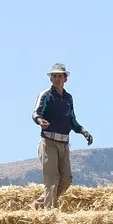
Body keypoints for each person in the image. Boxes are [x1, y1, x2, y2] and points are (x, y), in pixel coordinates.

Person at [31, 62, 93, 209]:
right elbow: (35, 113)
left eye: (60, 76)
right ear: (50, 79)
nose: (57, 79)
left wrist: (83, 131)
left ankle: (39, 204)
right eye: (54, 76)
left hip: (64, 143)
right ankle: (49, 214)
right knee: (51, 180)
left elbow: (72, 119)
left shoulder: (68, 99)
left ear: (66, 79)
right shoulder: (45, 95)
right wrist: (40, 121)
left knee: (66, 180)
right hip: (49, 141)